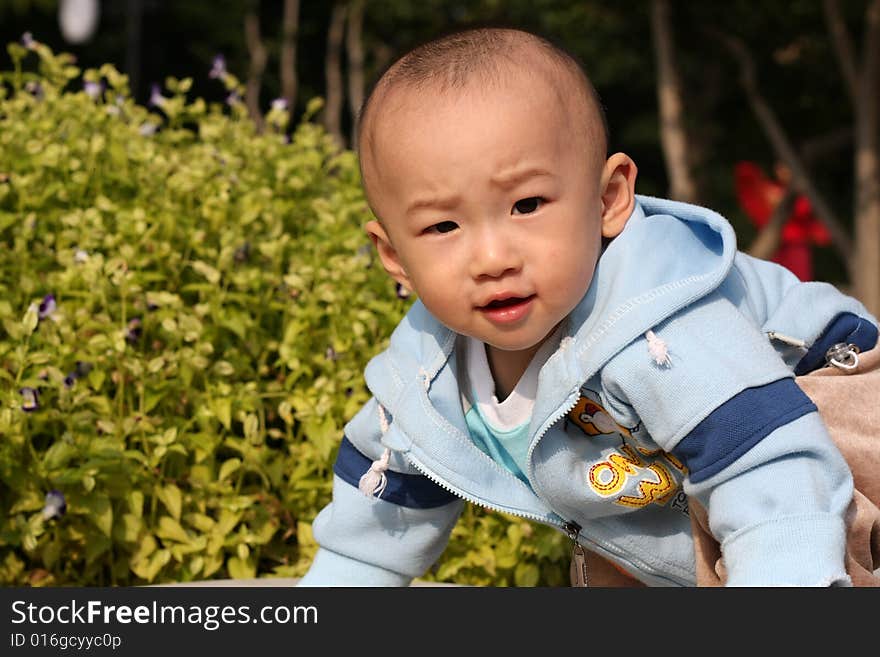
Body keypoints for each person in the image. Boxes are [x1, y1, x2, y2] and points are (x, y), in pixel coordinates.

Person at [298, 27, 879, 586]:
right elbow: (374, 529)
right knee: (619, 542)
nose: (492, 257)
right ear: (394, 254)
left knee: (794, 522)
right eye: (444, 225)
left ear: (608, 198)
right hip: (706, 495)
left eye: (526, 205)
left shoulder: (660, 329)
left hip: (825, 428)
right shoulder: (424, 382)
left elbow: (772, 470)